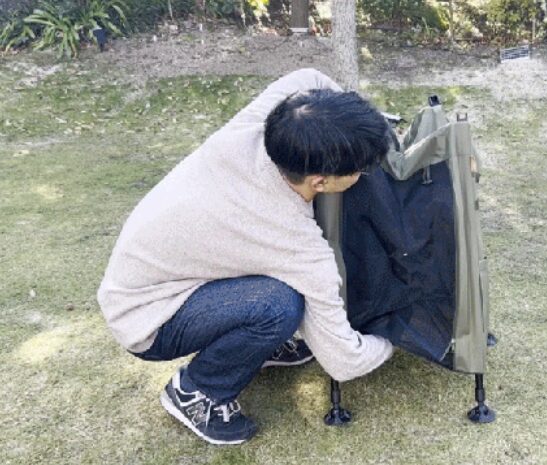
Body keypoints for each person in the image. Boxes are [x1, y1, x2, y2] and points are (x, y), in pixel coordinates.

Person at [97, 69, 394, 445]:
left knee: (280, 302)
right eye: (360, 170)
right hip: (146, 317)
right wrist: (394, 340)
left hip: (152, 275)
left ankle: (259, 345)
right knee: (278, 306)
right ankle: (199, 391)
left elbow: (309, 76)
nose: (363, 174)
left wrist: (358, 124)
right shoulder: (293, 239)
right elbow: (344, 361)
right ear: (319, 181)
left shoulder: (262, 125)